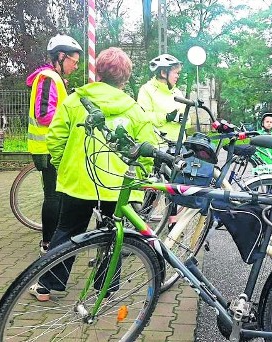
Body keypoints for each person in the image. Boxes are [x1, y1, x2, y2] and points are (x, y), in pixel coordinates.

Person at [29, 47, 157, 301]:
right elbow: (146, 148)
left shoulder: (76, 100)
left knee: (67, 231)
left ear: (97, 71)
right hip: (117, 185)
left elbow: (55, 138)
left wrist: (64, 163)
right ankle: (106, 287)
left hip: (78, 179)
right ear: (125, 78)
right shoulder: (132, 108)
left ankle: (49, 285)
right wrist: (143, 177)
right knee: (112, 235)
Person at [26, 34, 83, 255]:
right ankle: (48, 244)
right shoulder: (48, 77)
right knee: (53, 196)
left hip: (50, 146)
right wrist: (71, 122)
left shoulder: (53, 78)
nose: (75, 66)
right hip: (48, 147)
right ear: (61, 56)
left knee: (57, 195)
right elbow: (43, 114)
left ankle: (54, 240)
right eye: (74, 61)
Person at [137, 54, 187, 142]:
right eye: (176, 73)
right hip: (158, 146)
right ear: (163, 73)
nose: (177, 76)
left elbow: (187, 118)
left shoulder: (177, 92)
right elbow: (142, 117)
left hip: (179, 145)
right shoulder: (146, 90)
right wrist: (166, 117)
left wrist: (184, 119)